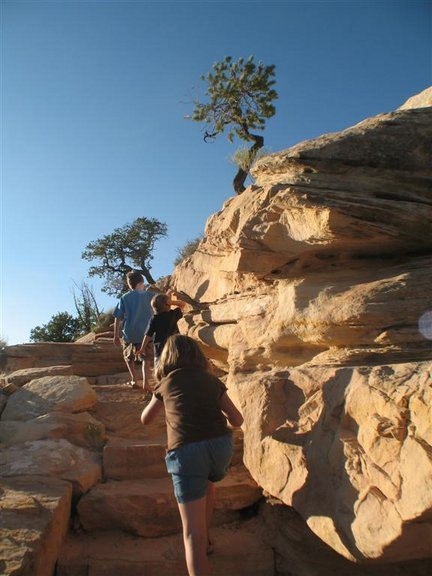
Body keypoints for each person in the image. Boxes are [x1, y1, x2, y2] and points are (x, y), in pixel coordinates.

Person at [141, 334, 243, 576]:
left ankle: (199, 543)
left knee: (190, 536)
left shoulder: (166, 384)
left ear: (166, 358)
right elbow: (237, 420)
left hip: (187, 451)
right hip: (220, 448)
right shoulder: (211, 380)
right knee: (207, 481)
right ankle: (206, 539)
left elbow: (145, 420)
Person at [113, 271, 156, 395]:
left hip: (130, 333)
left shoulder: (125, 297)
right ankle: (146, 382)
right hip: (147, 333)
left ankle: (134, 379)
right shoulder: (151, 296)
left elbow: (118, 317)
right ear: (142, 282)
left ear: (130, 284)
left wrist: (116, 335)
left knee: (128, 357)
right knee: (146, 358)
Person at [138, 291, 186, 366]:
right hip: (174, 346)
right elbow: (182, 304)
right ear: (168, 305)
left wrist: (142, 348)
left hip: (159, 349)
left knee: (159, 369)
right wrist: (172, 301)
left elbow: (148, 334)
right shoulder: (173, 314)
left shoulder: (154, 318)